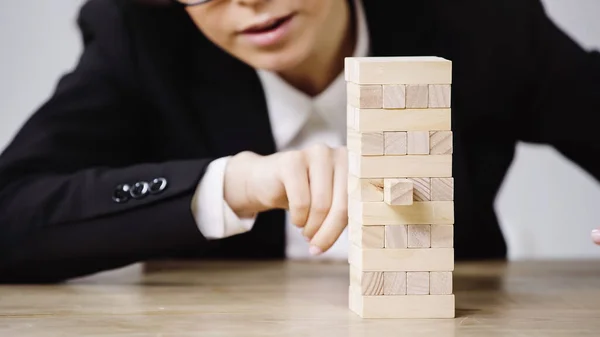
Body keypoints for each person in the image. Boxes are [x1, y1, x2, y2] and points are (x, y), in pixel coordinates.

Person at [0, 0, 599, 283]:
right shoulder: (139, 32)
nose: (247, 3)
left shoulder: (476, 17)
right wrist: (228, 185)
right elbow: (11, 214)